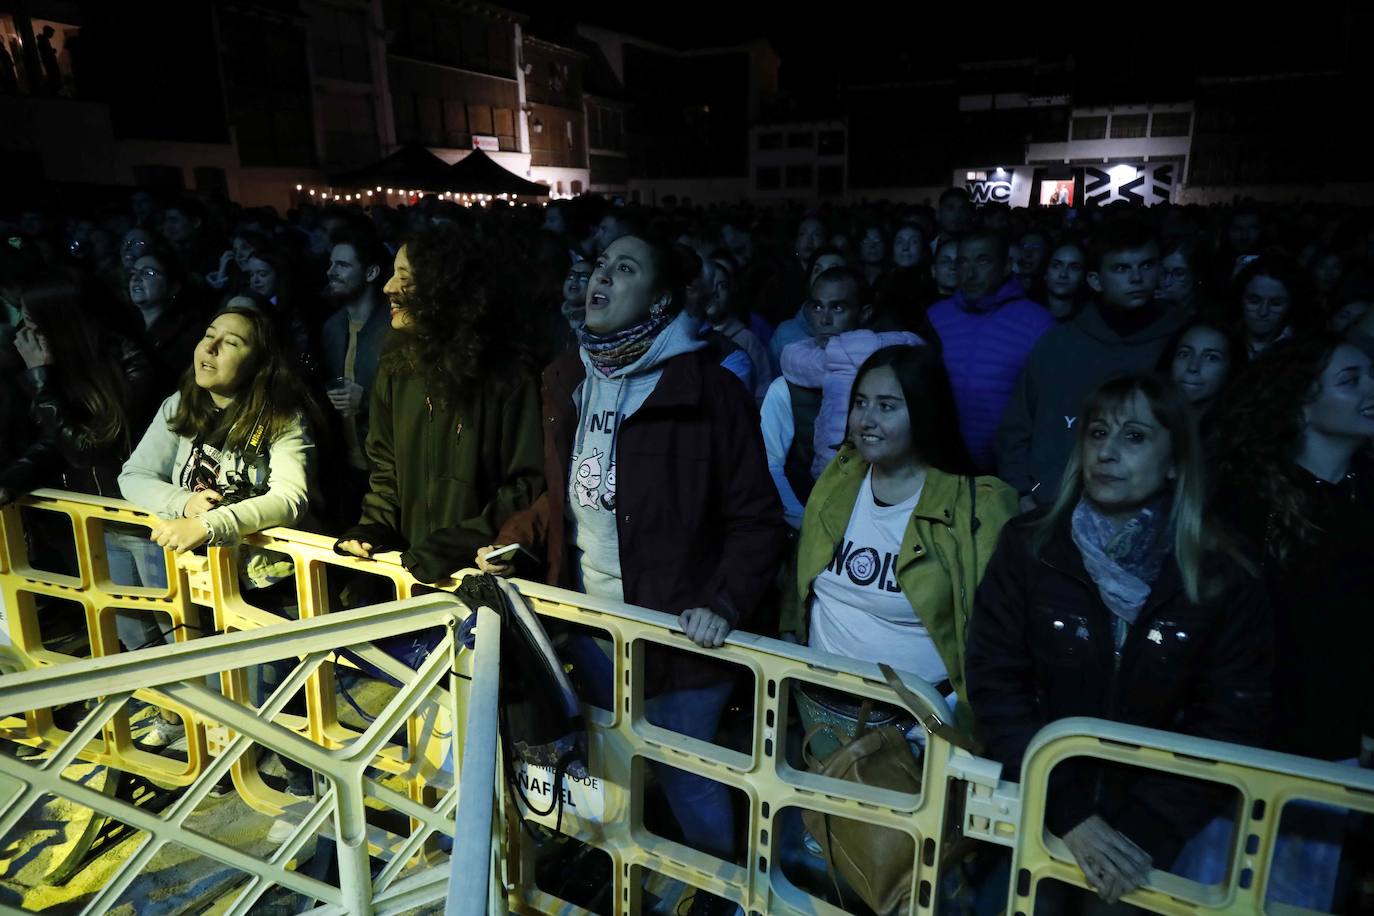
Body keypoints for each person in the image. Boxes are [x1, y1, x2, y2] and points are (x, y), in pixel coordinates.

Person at [479, 233, 786, 916]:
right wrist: (514, 541)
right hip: (592, 626)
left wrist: (723, 602)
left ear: (664, 298)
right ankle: (623, 866)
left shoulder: (712, 392)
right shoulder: (569, 378)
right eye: (598, 266)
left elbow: (757, 521)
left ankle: (719, 888)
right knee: (610, 755)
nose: (601, 279)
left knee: (686, 774)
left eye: (625, 269)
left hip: (679, 637)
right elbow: (572, 496)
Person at [968, 374, 1272, 913]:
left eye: (1133, 437)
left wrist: (1145, 831)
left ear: (1175, 460)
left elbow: (1231, 716)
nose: (1107, 452)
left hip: (1150, 836)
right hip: (1038, 807)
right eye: (1097, 433)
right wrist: (1065, 811)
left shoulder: (1222, 574)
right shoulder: (1030, 547)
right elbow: (997, 683)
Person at [781, 345, 1017, 746]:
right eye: (860, 403)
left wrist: (950, 723)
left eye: (887, 406)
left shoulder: (980, 507)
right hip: (820, 707)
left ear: (926, 413)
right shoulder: (839, 477)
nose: (866, 420)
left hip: (917, 725)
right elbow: (801, 582)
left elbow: (999, 637)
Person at [117, 297, 323, 745]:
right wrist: (184, 503)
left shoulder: (283, 417)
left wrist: (212, 524)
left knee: (270, 703)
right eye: (208, 336)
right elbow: (132, 476)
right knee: (207, 686)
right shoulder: (179, 404)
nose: (209, 349)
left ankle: (304, 790)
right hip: (194, 578)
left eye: (230, 343)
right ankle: (220, 761)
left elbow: (292, 498)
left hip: (261, 582)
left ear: (259, 363)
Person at [1214, 335, 1374, 909]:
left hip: (1333, 747)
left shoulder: (1366, 497)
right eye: (1351, 380)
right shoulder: (1245, 501)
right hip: (1247, 745)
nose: (1372, 392)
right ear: (1302, 402)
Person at [334, 225, 544, 584]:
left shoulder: (508, 376)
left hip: (480, 576)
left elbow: (526, 483)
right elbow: (385, 465)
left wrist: (454, 545)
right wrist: (373, 527)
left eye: (404, 277)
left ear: (446, 288)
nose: (388, 287)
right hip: (409, 572)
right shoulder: (396, 362)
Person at [996, 218, 1186, 509]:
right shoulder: (1057, 345)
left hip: (1151, 520)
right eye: (1121, 268)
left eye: (1146, 265)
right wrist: (1027, 491)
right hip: (1053, 512)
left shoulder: (1183, 346)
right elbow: (1016, 429)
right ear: (1095, 280)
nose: (1136, 278)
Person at [0, 275, 151, 514]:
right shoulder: (59, 365)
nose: (24, 334)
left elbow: (88, 450)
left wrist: (41, 380)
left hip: (134, 511)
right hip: (87, 509)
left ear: (59, 323)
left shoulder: (132, 363)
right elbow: (55, 441)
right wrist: (9, 482)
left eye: (31, 323)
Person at [927, 230, 1055, 473]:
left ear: (1006, 266)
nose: (971, 272)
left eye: (983, 261)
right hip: (940, 467)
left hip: (1009, 471)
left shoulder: (1037, 322)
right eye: (963, 261)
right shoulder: (935, 317)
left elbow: (1048, 407)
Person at [319, 228, 393, 524]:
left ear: (372, 272)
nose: (331, 272)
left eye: (343, 265)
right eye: (331, 263)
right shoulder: (332, 328)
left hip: (389, 472)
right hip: (346, 469)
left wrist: (368, 400)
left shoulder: (394, 329)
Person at [126, 242, 208, 406]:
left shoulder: (188, 333)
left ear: (174, 287)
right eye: (133, 272)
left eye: (148, 273)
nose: (136, 278)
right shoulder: (125, 326)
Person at [1232, 251, 1313, 360]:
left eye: (1276, 304)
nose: (1263, 312)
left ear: (1290, 304)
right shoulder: (1221, 338)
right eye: (1254, 301)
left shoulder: (1302, 351)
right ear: (1241, 298)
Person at [1155, 238, 1208, 320]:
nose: (1167, 282)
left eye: (1178, 274)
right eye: (1164, 272)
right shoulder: (1156, 306)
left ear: (1196, 275)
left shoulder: (1205, 318)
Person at [1043, 239, 1088, 321]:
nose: (1063, 274)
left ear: (1083, 277)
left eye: (1074, 268)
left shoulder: (1090, 321)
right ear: (1045, 272)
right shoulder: (1024, 312)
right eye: (1056, 266)